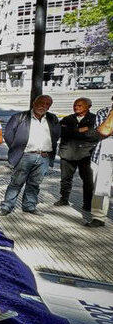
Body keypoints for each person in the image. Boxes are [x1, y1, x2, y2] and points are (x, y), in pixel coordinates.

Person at [0, 95, 60, 216]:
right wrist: (18, 149)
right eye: (41, 102)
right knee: (16, 182)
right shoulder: (20, 117)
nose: (44, 106)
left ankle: (29, 206)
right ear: (34, 102)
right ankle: (7, 206)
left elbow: (56, 134)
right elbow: (8, 135)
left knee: (35, 184)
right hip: (25, 156)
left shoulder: (52, 118)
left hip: (43, 157)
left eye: (47, 104)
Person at [56, 98, 97, 211]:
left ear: (88, 106)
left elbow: (94, 135)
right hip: (67, 153)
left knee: (88, 180)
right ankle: (64, 198)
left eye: (79, 105)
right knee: (65, 178)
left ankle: (87, 204)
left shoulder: (95, 119)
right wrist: (79, 131)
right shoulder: (67, 119)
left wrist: (72, 132)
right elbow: (60, 132)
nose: (76, 107)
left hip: (86, 154)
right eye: (75, 105)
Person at [87, 96, 113, 227]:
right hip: (103, 154)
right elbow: (104, 131)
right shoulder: (103, 112)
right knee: (100, 186)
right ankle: (98, 216)